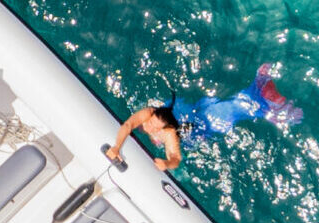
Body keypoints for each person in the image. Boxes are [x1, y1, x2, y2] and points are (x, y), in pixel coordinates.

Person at [107, 66, 302, 170]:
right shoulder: (148, 113)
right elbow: (128, 124)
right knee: (208, 107)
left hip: (199, 126)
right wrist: (116, 147)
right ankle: (258, 86)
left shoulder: (169, 134)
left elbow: (176, 157)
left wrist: (167, 164)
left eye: (153, 126)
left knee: (222, 115)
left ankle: (267, 107)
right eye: (149, 123)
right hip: (187, 110)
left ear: (163, 129)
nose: (148, 125)